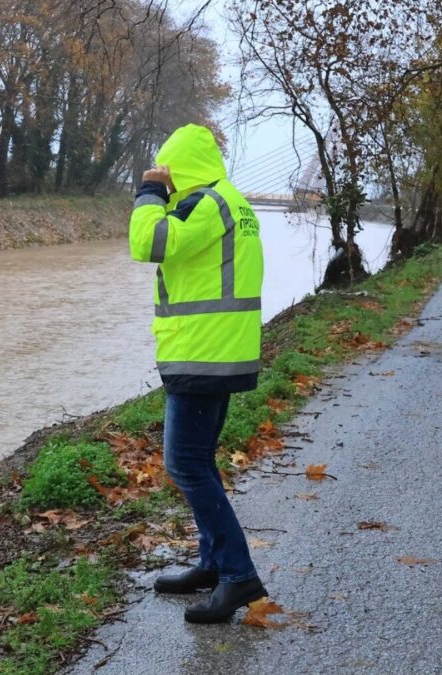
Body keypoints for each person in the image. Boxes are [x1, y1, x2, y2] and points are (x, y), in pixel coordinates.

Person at [128, 124, 267, 623]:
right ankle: (213, 565)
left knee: (185, 465)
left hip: (202, 355)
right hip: (217, 352)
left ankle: (238, 575)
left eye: (167, 170)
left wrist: (148, 192)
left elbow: (148, 242)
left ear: (177, 167)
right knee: (198, 463)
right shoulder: (229, 201)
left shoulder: (203, 203)